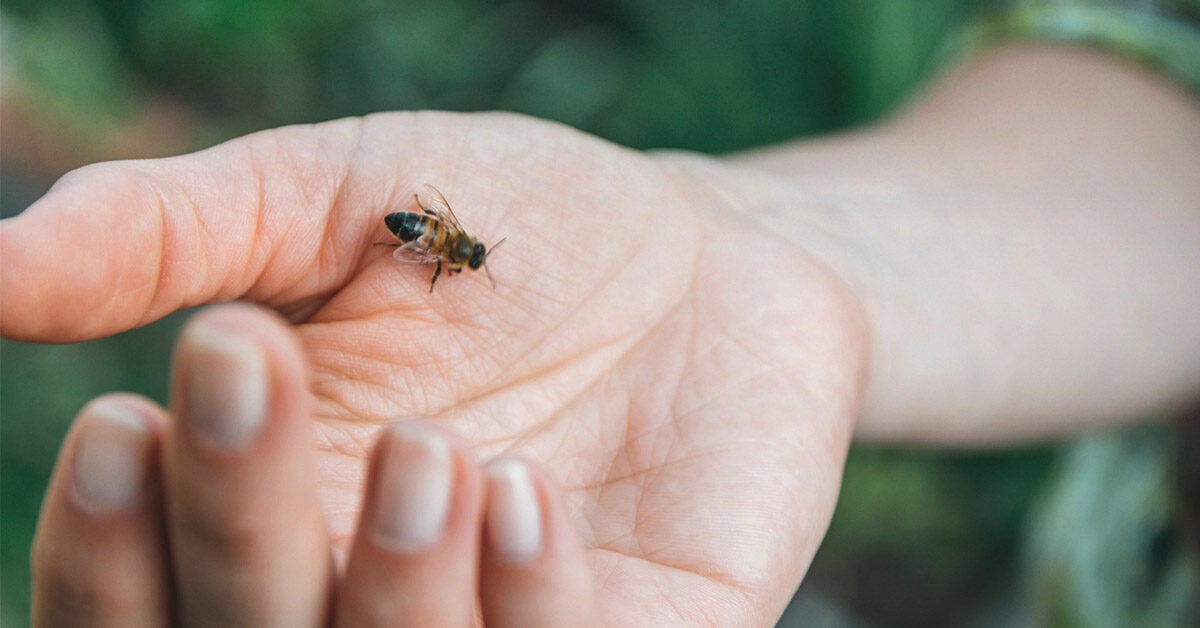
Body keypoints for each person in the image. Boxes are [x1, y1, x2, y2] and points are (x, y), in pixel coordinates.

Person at [3, 15, 1198, 628]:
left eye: (451, 253)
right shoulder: (440, 239)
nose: (454, 260)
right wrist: (763, 244)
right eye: (457, 253)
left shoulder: (447, 247)